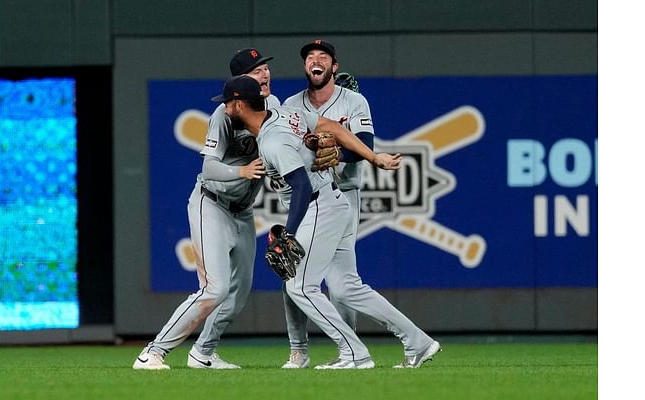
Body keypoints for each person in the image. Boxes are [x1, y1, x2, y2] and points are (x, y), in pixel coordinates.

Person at [214, 74, 402, 369]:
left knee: (310, 287)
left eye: (227, 104)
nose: (224, 111)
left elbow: (302, 182)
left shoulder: (274, 135)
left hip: (322, 203)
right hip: (323, 202)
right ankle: (411, 342)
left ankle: (352, 352)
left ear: (239, 104)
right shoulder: (283, 110)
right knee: (306, 283)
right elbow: (327, 127)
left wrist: (288, 233)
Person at [280, 39, 442, 369]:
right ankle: (415, 341)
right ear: (304, 66)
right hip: (309, 197)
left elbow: (364, 145)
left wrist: (336, 150)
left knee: (307, 279)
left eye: (322, 56)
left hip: (342, 195)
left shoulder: (354, 101)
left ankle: (348, 351)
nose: (315, 60)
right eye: (310, 57)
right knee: (341, 286)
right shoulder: (291, 104)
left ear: (333, 66)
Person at [133, 48, 280, 370]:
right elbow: (209, 169)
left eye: (265, 68)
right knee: (215, 288)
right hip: (211, 204)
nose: (265, 74)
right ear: (240, 83)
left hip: (243, 211)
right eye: (257, 71)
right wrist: (241, 171)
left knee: (238, 294)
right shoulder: (223, 116)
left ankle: (203, 352)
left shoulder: (275, 108)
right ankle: (153, 352)